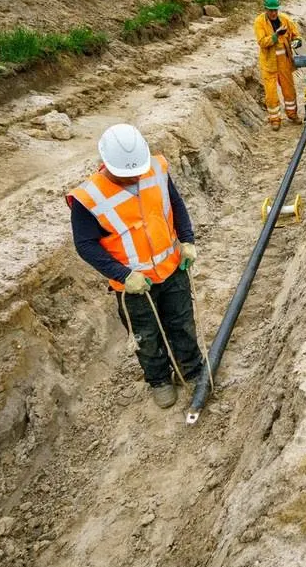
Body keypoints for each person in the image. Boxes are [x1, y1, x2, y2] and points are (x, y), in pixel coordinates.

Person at [68, 123, 205, 408]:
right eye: (124, 175)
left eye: (135, 172)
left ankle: (192, 369)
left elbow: (176, 206)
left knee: (182, 320)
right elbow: (85, 245)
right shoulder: (88, 199)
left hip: (171, 268)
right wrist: (123, 274)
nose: (133, 177)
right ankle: (159, 379)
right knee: (146, 334)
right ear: (105, 164)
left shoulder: (155, 169)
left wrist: (187, 240)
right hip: (133, 285)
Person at [253, 0, 303, 130]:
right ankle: (275, 119)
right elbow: (262, 42)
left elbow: (295, 34)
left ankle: (292, 114)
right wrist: (276, 36)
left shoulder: (285, 20)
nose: (274, 13)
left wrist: (297, 41)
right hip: (269, 63)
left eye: (275, 10)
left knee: (289, 90)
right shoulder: (259, 22)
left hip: (284, 62)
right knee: (271, 93)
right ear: (265, 9)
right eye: (271, 10)